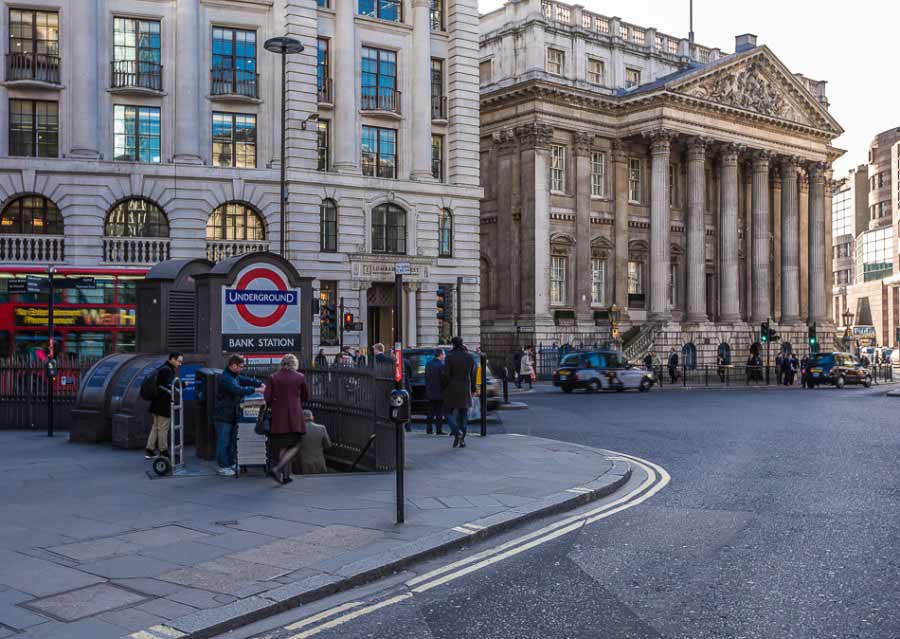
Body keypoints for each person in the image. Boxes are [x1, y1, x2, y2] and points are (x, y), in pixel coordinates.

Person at [213, 355, 264, 476]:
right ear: (233, 365)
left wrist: (259, 383)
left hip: (230, 414)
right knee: (223, 442)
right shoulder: (226, 378)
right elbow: (237, 389)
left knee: (230, 441)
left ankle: (230, 463)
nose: (242, 369)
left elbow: (244, 379)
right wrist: (257, 390)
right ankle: (223, 466)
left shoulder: (233, 375)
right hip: (223, 415)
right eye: (240, 366)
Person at [264, 354, 310, 484]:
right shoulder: (300, 377)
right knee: (296, 444)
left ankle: (285, 476)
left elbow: (267, 398)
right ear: (294, 364)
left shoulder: (273, 377)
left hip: (279, 416)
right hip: (295, 416)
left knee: (283, 446)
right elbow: (306, 396)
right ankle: (278, 469)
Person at [145, 352, 183, 459]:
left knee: (155, 427)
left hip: (156, 402)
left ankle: (150, 449)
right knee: (163, 428)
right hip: (163, 403)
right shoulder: (167, 370)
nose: (180, 364)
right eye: (178, 361)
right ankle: (163, 451)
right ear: (172, 359)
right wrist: (183, 385)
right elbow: (171, 385)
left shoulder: (162, 368)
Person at [442, 336, 477, 448]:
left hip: (452, 388)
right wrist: (473, 389)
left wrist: (444, 386)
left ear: (453, 344)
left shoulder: (449, 357)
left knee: (447, 412)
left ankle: (457, 432)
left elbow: (446, 375)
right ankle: (462, 440)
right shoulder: (469, 357)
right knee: (463, 414)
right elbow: (473, 375)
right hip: (465, 388)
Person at [299, 409, 332, 474]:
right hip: (320, 462)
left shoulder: (299, 430)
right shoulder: (322, 428)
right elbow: (328, 445)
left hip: (304, 463)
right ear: (312, 417)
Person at [425, 349, 446, 435]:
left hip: (430, 390)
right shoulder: (441, 365)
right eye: (444, 354)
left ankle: (429, 429)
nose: (444, 356)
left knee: (430, 411)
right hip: (440, 391)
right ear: (440, 355)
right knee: (439, 412)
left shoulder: (428, 364)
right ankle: (439, 430)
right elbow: (443, 379)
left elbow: (426, 376)